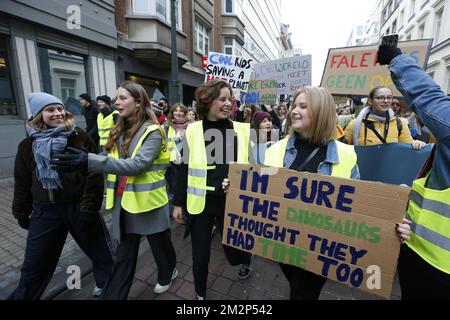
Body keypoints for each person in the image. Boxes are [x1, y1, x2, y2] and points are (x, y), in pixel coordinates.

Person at [224, 86, 411, 300]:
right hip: (282, 245)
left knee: (303, 294)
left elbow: (359, 207)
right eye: (295, 105)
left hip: (318, 251)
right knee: (296, 286)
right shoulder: (275, 150)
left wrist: (391, 226)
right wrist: (237, 189)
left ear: (321, 112)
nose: (294, 110)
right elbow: (261, 192)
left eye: (303, 106)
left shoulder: (346, 155)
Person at [52, 81, 177, 299]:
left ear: (138, 102)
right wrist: (83, 161)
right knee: (124, 257)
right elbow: (108, 157)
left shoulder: (153, 131)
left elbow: (137, 165)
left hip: (149, 203)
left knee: (161, 246)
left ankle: (168, 273)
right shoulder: (119, 127)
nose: (116, 102)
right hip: (123, 202)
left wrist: (88, 160)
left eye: (122, 98)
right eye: (116, 98)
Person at [9, 92, 113, 300]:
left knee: (102, 254)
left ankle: (108, 286)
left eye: (59, 109)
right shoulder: (27, 146)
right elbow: (22, 182)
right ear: (39, 115)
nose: (57, 113)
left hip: (79, 207)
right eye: (50, 110)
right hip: (45, 211)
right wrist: (21, 212)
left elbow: (94, 175)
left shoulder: (79, 136)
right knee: (34, 263)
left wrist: (89, 208)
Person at [377, 44, 450, 300]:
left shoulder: (402, 123)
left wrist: (397, 60)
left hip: (433, 264)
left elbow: (429, 96)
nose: (386, 101)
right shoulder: (356, 123)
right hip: (419, 248)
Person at [171, 79, 253, 300]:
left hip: (230, 202)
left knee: (234, 250)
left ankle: (244, 260)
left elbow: (254, 169)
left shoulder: (243, 131)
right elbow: (184, 169)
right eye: (223, 99)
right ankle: (200, 294)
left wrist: (239, 182)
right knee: (200, 254)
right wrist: (178, 203)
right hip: (200, 204)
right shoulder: (193, 131)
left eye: (230, 99)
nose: (228, 104)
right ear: (207, 102)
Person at [344, 86, 426, 150]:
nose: (386, 101)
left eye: (389, 98)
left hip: (389, 169)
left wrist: (416, 144)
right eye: (380, 98)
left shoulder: (400, 124)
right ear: (370, 101)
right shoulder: (355, 124)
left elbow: (407, 148)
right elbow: (342, 149)